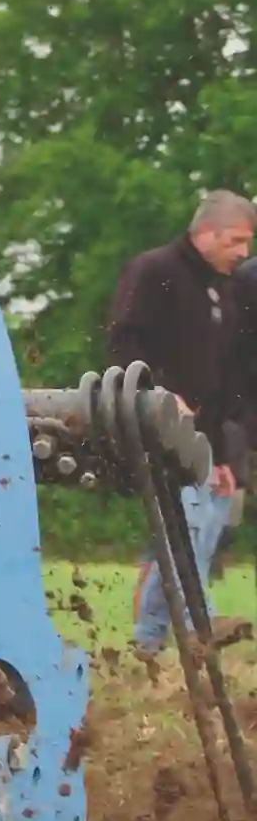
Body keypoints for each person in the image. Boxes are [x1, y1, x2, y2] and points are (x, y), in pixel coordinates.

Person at [108, 191, 254, 652]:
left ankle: (146, 646)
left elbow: (224, 380)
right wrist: (158, 395)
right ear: (205, 233)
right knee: (185, 530)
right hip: (158, 429)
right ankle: (203, 625)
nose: (244, 254)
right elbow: (123, 342)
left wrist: (228, 456)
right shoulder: (155, 271)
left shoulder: (224, 291)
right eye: (237, 241)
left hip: (206, 439)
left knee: (199, 534)